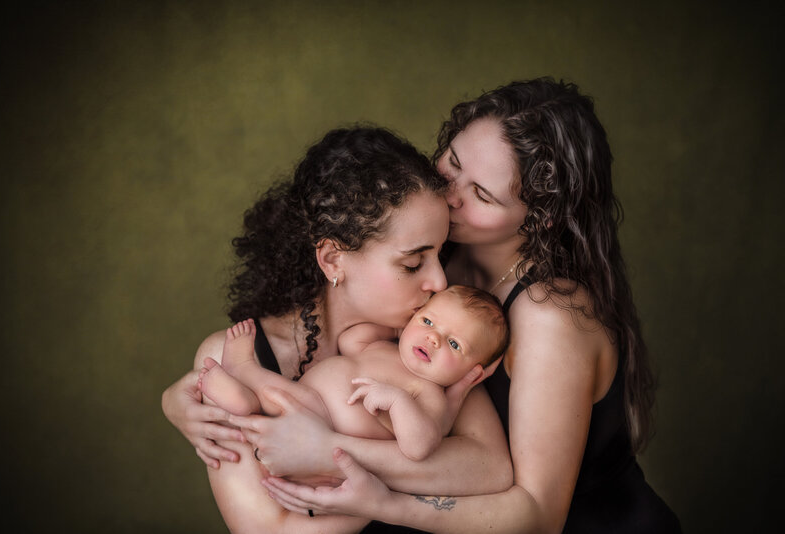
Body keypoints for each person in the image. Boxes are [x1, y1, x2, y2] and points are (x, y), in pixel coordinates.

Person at [251, 79, 683, 533]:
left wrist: (349, 468)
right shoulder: (435, 260)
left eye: (482, 195)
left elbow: (539, 518)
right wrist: (192, 393)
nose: (450, 193)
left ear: (541, 216)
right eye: (453, 163)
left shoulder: (549, 315)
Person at [161, 126, 513, 533]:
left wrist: (331, 454)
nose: (438, 281)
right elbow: (267, 529)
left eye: (439, 254)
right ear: (332, 260)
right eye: (413, 264)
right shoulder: (235, 352)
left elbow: (490, 468)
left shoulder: (425, 339)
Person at [198, 285, 509, 463]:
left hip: (319, 429)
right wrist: (397, 327)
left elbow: (420, 446)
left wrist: (398, 402)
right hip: (301, 415)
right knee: (276, 401)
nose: (433, 338)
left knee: (290, 398)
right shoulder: (383, 347)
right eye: (428, 321)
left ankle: (244, 369)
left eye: (454, 343)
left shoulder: (426, 392)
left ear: (472, 371)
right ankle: (243, 400)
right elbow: (349, 340)